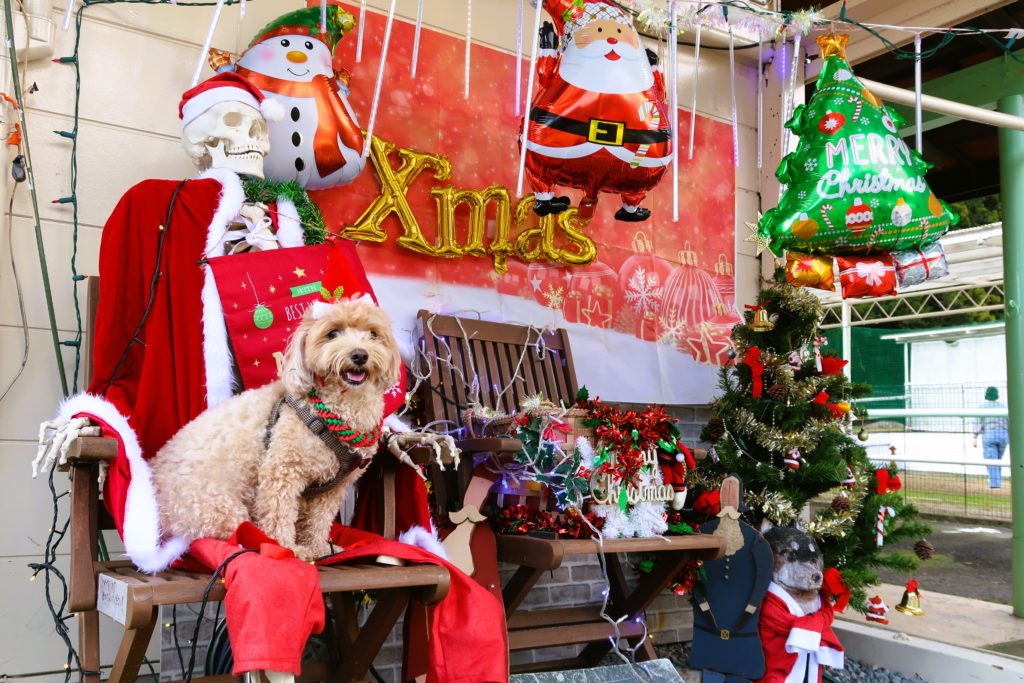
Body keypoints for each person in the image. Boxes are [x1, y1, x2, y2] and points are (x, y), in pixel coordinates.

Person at [973, 386, 1008, 489]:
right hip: (1003, 434)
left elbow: (977, 423)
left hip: (990, 434)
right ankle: (996, 481)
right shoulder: (1004, 407)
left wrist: (975, 437)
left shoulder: (982, 407)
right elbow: (1009, 422)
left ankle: (995, 485)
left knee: (991, 460)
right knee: (998, 460)